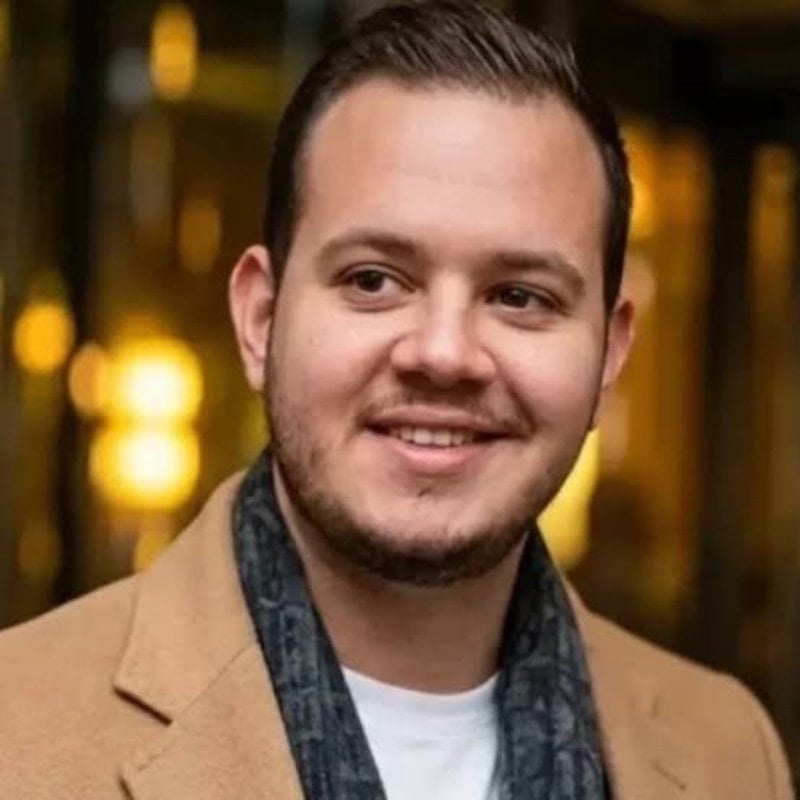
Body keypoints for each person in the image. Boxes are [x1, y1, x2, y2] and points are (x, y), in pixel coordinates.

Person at [0, 2, 793, 798]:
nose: (443, 354)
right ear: (260, 320)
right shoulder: (19, 725)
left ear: (610, 354)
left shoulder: (728, 750)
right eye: (373, 280)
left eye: (520, 296)